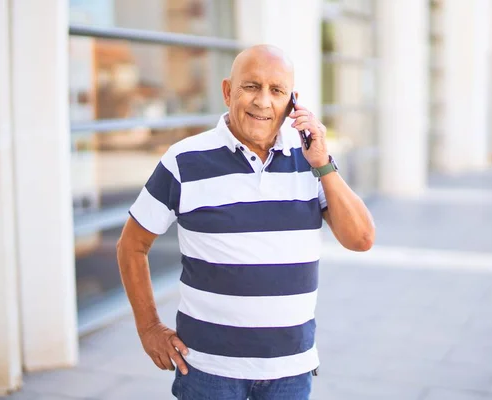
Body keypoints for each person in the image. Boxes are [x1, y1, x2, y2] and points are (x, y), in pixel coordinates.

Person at [116, 44, 375, 400]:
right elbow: (132, 245)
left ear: (292, 102)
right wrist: (148, 328)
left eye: (277, 90)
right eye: (251, 86)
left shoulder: (312, 161)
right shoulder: (184, 160)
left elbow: (361, 239)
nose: (263, 101)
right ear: (228, 91)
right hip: (208, 371)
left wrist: (323, 163)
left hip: (291, 369)